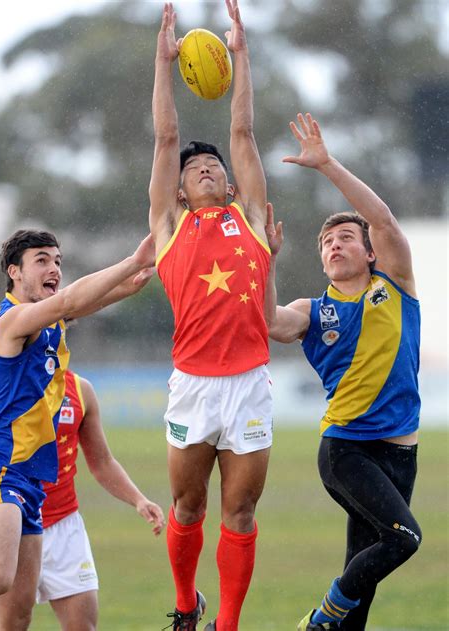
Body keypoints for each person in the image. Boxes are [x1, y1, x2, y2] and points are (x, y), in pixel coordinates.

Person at [266, 113, 422, 631]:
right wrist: (265, 262)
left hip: (402, 456)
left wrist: (327, 164)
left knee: (367, 592)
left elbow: (385, 220)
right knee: (404, 539)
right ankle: (321, 615)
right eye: (326, 243)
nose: (333, 245)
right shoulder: (314, 310)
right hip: (346, 449)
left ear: (371, 252)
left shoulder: (395, 283)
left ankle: (338, 620)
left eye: (345, 237)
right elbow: (270, 322)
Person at [150, 2, 273, 629]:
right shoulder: (171, 227)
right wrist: (163, 63)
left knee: (241, 513)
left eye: (214, 165)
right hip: (193, 384)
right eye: (196, 169)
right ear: (178, 190)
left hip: (249, 381)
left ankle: (226, 624)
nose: (208, 167)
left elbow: (244, 135)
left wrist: (241, 55)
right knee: (188, 504)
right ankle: (183, 606)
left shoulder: (249, 220)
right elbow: (167, 138)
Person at [0, 228, 154, 631]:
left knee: (15, 619)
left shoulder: (49, 320)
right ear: (14, 273)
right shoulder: (12, 320)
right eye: (41, 260)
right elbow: (72, 300)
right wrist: (133, 260)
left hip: (33, 481)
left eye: (57, 260)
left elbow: (82, 304)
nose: (54, 267)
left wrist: (128, 287)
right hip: (2, 468)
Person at [0, 369, 165, 631]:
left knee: (83, 626)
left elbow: (102, 463)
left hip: (64, 526)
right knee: (8, 626)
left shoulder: (80, 389)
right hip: (10, 524)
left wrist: (138, 500)